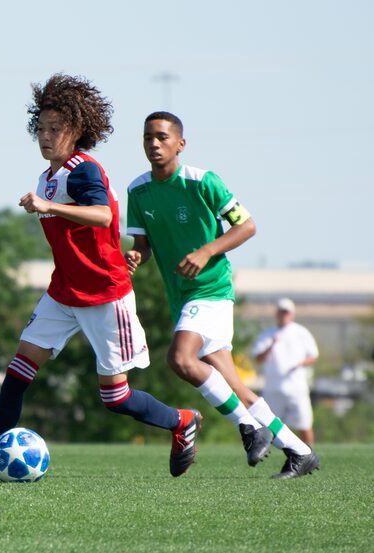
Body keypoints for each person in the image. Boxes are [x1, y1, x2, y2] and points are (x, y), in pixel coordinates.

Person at [0, 75, 201, 482]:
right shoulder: (48, 176)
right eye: (40, 127)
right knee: (16, 374)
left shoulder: (84, 170)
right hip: (64, 293)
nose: (45, 135)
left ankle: (182, 421)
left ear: (76, 130)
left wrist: (49, 207)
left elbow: (105, 215)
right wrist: (48, 203)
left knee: (115, 398)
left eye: (55, 128)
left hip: (104, 296)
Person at [124, 111, 319, 479]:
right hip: (181, 297)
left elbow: (247, 225)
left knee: (180, 360)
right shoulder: (138, 190)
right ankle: (299, 451)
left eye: (163, 137)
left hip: (212, 289)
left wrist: (206, 251)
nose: (154, 143)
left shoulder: (203, 182)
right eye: (148, 137)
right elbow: (143, 244)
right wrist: (137, 255)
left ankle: (248, 428)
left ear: (180, 144)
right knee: (231, 383)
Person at [253, 298, 318, 446]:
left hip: (296, 386)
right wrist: (271, 346)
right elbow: (258, 357)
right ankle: (265, 451)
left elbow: (313, 355)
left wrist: (300, 363)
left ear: (292, 314)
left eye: (286, 312)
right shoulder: (268, 334)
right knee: (268, 423)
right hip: (273, 387)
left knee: (304, 422)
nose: (284, 315)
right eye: (281, 312)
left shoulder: (301, 332)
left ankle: (309, 452)